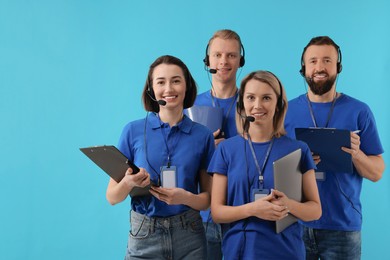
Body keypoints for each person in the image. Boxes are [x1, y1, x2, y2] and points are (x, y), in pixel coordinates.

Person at [285, 36, 385, 259]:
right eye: (313, 61)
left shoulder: (359, 111)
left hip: (342, 226)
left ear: (338, 67)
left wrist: (356, 155)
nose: (319, 67)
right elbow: (271, 165)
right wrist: (297, 164)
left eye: (327, 60)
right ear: (303, 68)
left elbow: (377, 172)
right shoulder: (286, 111)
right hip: (295, 222)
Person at [106, 55, 215, 259]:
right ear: (151, 89)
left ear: (187, 86)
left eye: (176, 80)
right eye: (161, 82)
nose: (169, 89)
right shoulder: (132, 131)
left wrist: (185, 197)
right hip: (144, 235)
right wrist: (128, 183)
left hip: (189, 235)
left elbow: (208, 200)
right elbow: (112, 197)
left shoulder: (203, 135)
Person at [209, 70, 322, 259]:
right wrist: (253, 209)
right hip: (239, 252)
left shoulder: (298, 149)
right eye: (251, 97)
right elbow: (217, 212)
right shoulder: (226, 149)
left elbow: (315, 210)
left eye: (266, 98)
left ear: (278, 104)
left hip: (286, 252)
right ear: (242, 104)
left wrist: (288, 205)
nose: (257, 105)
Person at [194, 29, 245, 260]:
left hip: (243, 211)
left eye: (231, 55)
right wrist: (206, 148)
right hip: (203, 216)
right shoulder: (190, 105)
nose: (224, 61)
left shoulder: (253, 102)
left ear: (240, 60)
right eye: (217, 55)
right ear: (208, 61)